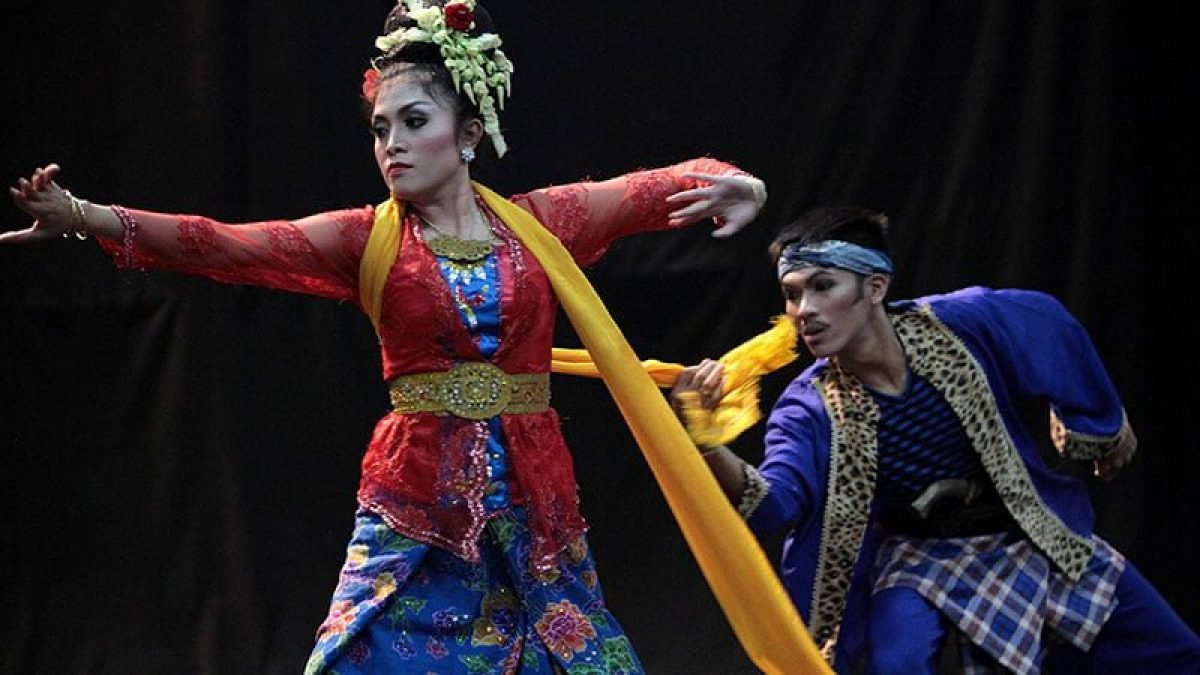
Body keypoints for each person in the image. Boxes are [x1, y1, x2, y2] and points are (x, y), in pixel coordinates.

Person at [3, 1, 768, 672]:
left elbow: (639, 193)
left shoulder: (537, 226)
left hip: (533, 497)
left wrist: (734, 180)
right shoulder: (365, 240)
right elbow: (225, 244)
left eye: (414, 122)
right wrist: (84, 217)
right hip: (417, 502)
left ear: (469, 134)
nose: (390, 144)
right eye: (379, 129)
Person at [670, 205, 1200, 674]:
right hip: (917, 560)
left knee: (1174, 652)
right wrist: (704, 440)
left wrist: (1092, 419)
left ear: (875, 288)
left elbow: (1048, 325)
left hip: (1026, 531)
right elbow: (772, 505)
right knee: (897, 662)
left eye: (822, 286)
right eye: (792, 294)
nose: (803, 309)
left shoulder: (961, 324)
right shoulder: (809, 408)